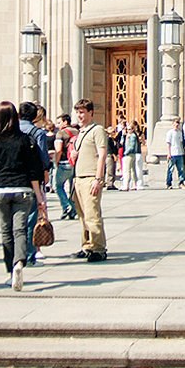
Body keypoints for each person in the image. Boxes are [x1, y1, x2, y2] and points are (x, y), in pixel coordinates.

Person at [0, 101, 47, 292]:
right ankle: (20, 262)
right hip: (22, 189)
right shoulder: (25, 140)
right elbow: (33, 171)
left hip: (0, 189)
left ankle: (11, 270)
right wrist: (40, 198)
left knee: (6, 232)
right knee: (20, 230)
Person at [70, 99, 110, 262]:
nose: (80, 116)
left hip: (90, 177)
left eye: (83, 112)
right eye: (78, 112)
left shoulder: (97, 130)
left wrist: (98, 178)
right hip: (78, 178)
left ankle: (99, 248)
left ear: (91, 113)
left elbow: (102, 155)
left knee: (92, 214)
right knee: (82, 215)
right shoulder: (81, 132)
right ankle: (87, 245)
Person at [19, 102, 53, 266]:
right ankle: (32, 253)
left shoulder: (10, 129)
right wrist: (46, 172)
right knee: (33, 215)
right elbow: (42, 158)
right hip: (33, 179)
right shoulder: (37, 132)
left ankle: (17, 253)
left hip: (11, 179)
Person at [52, 113, 79, 221]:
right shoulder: (77, 132)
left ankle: (67, 206)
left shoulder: (60, 133)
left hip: (64, 162)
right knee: (73, 189)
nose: (57, 125)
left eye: (59, 122)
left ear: (65, 122)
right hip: (75, 163)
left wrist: (56, 162)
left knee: (58, 186)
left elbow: (58, 150)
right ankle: (73, 209)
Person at [120, 120, 144, 191]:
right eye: (127, 129)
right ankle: (134, 184)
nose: (128, 131)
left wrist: (126, 153)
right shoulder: (128, 135)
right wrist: (123, 135)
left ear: (133, 129)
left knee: (127, 170)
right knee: (133, 170)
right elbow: (122, 142)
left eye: (130, 129)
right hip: (131, 154)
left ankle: (126, 184)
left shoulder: (133, 136)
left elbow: (131, 146)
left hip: (130, 154)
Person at [165, 118, 185, 188]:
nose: (177, 125)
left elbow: (180, 142)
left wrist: (182, 151)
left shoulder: (179, 132)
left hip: (179, 152)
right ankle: (168, 183)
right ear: (173, 124)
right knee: (170, 169)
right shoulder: (170, 133)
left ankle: (181, 182)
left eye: (178, 123)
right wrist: (169, 153)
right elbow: (168, 143)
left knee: (181, 169)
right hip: (172, 153)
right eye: (175, 123)